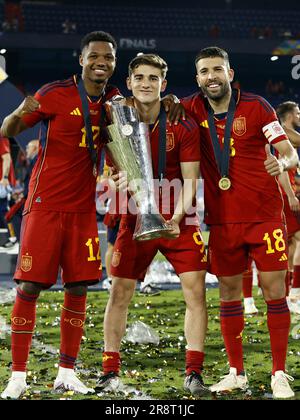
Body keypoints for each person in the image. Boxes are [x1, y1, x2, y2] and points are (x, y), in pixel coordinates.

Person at [0, 30, 120, 399]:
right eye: (94, 56)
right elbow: (8, 129)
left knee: (79, 286)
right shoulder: (54, 93)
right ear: (81, 60)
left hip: (83, 209)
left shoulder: (115, 101)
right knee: (31, 285)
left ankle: (66, 371)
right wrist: (20, 112)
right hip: (45, 204)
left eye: (109, 58)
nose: (101, 62)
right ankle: (18, 375)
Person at [181, 46, 298, 399]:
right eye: (204, 71)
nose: (211, 76)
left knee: (274, 292)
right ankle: (237, 372)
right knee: (230, 294)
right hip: (222, 221)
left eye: (218, 69)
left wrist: (285, 165)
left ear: (230, 73)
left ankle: (279, 373)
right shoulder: (189, 108)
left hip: (263, 217)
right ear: (198, 77)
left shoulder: (257, 106)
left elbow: (289, 152)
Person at [97, 54, 209, 397]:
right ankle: (110, 371)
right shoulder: (114, 119)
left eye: (154, 78)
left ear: (164, 84)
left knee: (196, 291)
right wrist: (111, 182)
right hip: (133, 213)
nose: (147, 83)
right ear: (129, 82)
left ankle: (193, 373)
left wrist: (176, 217)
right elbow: (108, 171)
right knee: (119, 293)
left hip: (178, 214)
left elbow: (191, 178)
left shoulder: (183, 122)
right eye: (140, 77)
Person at [276, 101, 300, 313]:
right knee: (289, 244)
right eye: (298, 112)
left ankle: (289, 295)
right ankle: (292, 293)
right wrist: (292, 194)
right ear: (290, 114)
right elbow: (282, 167)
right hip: (284, 195)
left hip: (288, 194)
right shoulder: (281, 132)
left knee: (291, 245)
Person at [0, 133, 16, 249]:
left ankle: (13, 238)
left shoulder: (1, 137)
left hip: (2, 182)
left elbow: (7, 158)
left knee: (5, 211)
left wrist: (5, 178)